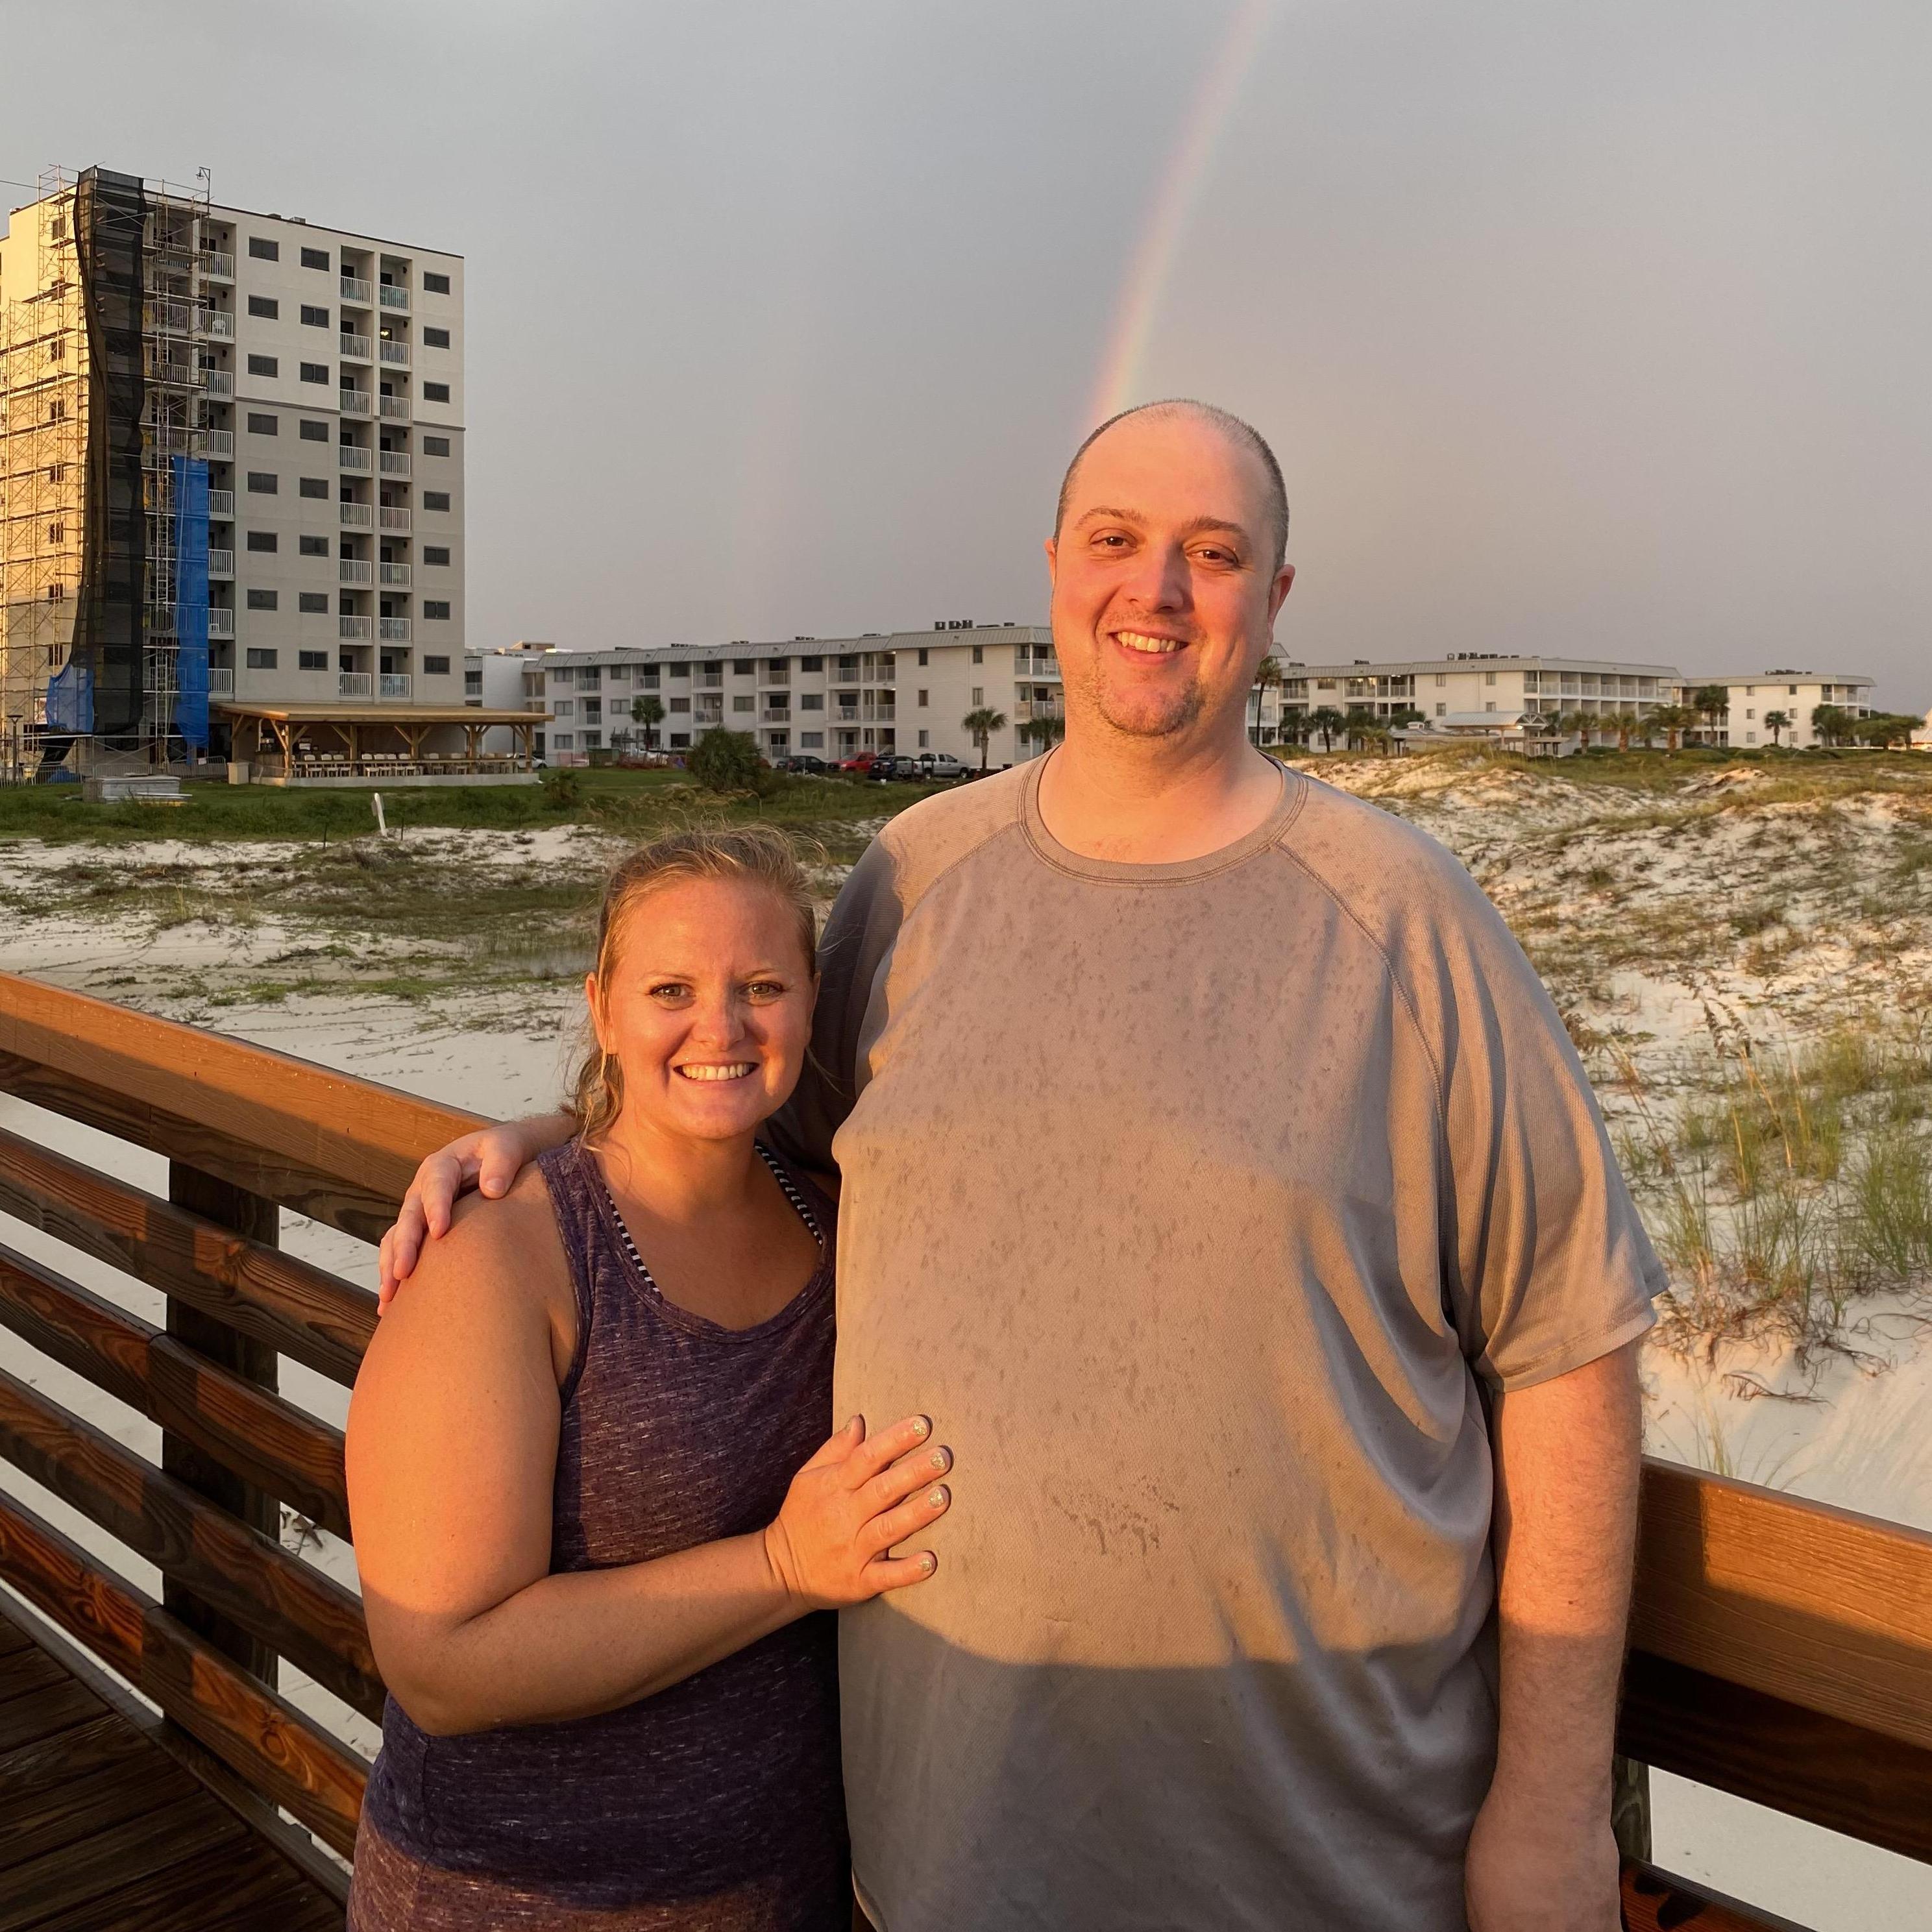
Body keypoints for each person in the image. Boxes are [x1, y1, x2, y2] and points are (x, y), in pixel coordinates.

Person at [382, 401, 1660, 1932]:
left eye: (1213, 553)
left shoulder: (1402, 916)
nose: (1158, 591)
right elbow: (743, 1109)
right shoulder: (913, 880)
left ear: (1276, 600)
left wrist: (1549, 1808)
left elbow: (1572, 1350)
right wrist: (547, 1137)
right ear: (1054, 567)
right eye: (1116, 541)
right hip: (939, 1860)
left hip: (1327, 1867)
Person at [346, 826, 954, 1931]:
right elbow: (439, 1659)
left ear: (812, 1002)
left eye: (761, 986)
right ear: (603, 1007)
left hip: (786, 1887)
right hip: (519, 1899)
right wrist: (782, 1563)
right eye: (671, 988)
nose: (719, 1027)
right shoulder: (507, 1255)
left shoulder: (828, 1200)